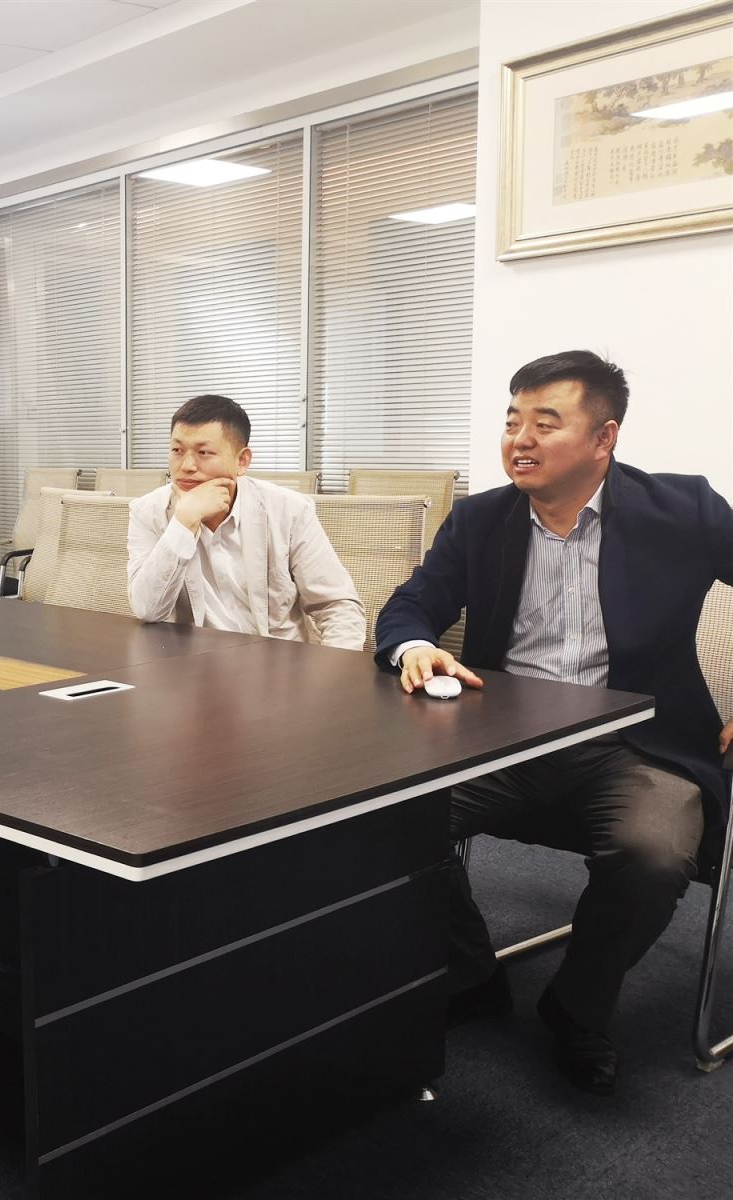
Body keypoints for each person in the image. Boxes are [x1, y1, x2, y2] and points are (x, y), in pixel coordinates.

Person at [373, 350, 733, 1095]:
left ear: (604, 437)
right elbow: (411, 605)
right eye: (512, 421)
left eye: (545, 422)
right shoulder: (481, 519)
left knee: (653, 853)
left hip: (640, 744)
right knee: (380, 819)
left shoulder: (684, 509)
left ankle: (577, 1006)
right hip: (503, 740)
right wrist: (413, 647)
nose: (520, 439)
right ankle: (470, 975)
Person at [126, 393, 365, 649]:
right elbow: (147, 609)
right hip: (190, 663)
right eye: (177, 450)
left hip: (279, 662)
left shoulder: (289, 510)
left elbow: (338, 607)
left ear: (242, 461)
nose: (186, 466)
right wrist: (183, 523)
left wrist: (332, 669)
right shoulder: (148, 511)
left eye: (204, 452)